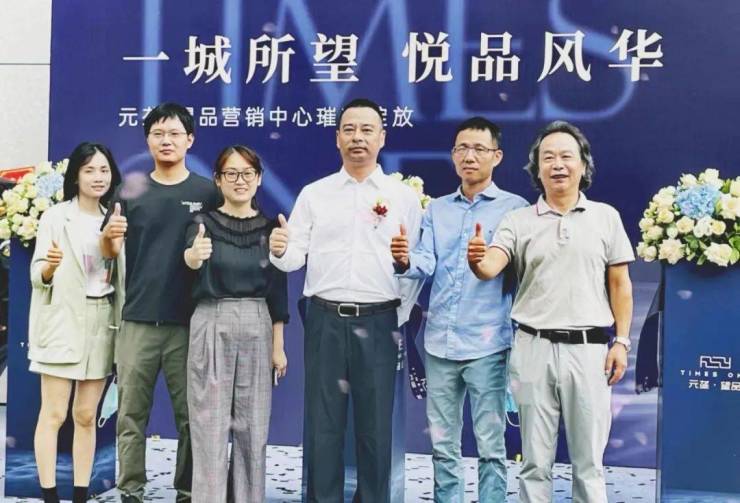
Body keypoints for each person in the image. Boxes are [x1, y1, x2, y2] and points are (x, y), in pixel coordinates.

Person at [468, 121, 634, 503]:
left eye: (566, 156)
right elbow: (492, 265)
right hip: (533, 350)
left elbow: (620, 285)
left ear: (583, 165)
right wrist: (477, 260)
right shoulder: (518, 221)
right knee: (534, 463)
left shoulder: (605, 217)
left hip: (590, 352)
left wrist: (622, 342)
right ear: (537, 169)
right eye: (548, 157)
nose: (557, 164)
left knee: (589, 463)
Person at [269, 98, 422, 502]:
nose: (358, 137)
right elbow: (293, 258)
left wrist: (397, 315)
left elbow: (414, 265)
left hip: (380, 321)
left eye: (367, 129)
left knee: (376, 426)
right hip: (325, 319)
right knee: (323, 423)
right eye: (349, 129)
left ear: (382, 137)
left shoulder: (402, 197)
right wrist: (280, 249)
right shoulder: (315, 194)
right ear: (337, 138)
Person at [390, 117, 528, 503]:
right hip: (440, 343)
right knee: (443, 445)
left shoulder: (514, 210)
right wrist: (404, 260)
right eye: (462, 148)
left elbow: (520, 272)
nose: (469, 156)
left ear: (497, 156)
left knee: (491, 445)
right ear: (452, 156)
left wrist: (488, 259)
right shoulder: (437, 209)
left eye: (479, 149)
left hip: (488, 343)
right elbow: (426, 261)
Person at [100, 102, 219, 503]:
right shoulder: (129, 190)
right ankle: (131, 489)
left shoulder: (207, 192)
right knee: (131, 414)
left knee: (191, 416)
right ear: (148, 140)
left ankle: (187, 490)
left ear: (190, 140)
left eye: (174, 134)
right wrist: (110, 239)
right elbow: (107, 250)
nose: (166, 141)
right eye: (157, 134)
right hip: (137, 319)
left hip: (190, 322)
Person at [183, 145, 288, 502]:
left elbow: (277, 290)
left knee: (252, 430)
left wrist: (278, 346)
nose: (239, 180)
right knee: (209, 427)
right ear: (218, 179)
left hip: (258, 323)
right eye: (231, 173)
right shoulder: (202, 224)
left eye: (247, 173)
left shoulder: (272, 228)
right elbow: (190, 259)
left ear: (259, 179)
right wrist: (194, 256)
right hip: (212, 318)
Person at [28, 142, 124, 503]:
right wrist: (50, 268)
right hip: (63, 320)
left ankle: (81, 494)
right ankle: (50, 495)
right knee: (53, 414)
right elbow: (37, 275)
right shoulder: (56, 217)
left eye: (104, 170)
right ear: (76, 176)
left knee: (85, 415)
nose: (98, 177)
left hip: (102, 322)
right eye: (89, 170)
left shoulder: (114, 218)